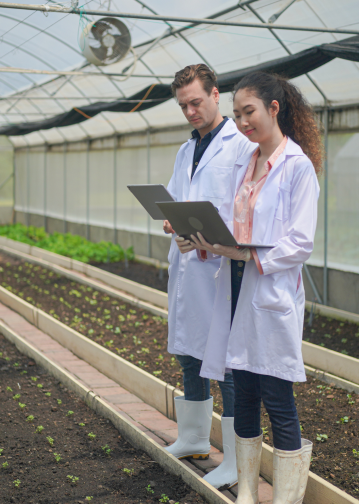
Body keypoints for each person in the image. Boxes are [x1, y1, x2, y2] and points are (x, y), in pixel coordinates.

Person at [190, 71, 322, 503]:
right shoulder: (245, 165)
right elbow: (234, 224)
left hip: (269, 293)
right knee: (243, 395)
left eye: (249, 112)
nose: (243, 123)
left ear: (274, 109)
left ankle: (285, 499)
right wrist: (207, 241)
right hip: (236, 289)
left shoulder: (296, 166)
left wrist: (249, 256)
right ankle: (246, 492)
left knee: (277, 398)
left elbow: (300, 241)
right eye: (238, 115)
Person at [164, 64, 255, 489]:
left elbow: (243, 210)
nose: (190, 111)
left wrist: (203, 233)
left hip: (222, 269)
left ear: (216, 95)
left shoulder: (240, 146)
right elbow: (179, 199)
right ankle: (194, 437)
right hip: (188, 263)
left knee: (229, 365)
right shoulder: (188, 149)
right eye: (183, 105)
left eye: (196, 102)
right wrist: (172, 221)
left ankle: (237, 462)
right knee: (190, 355)